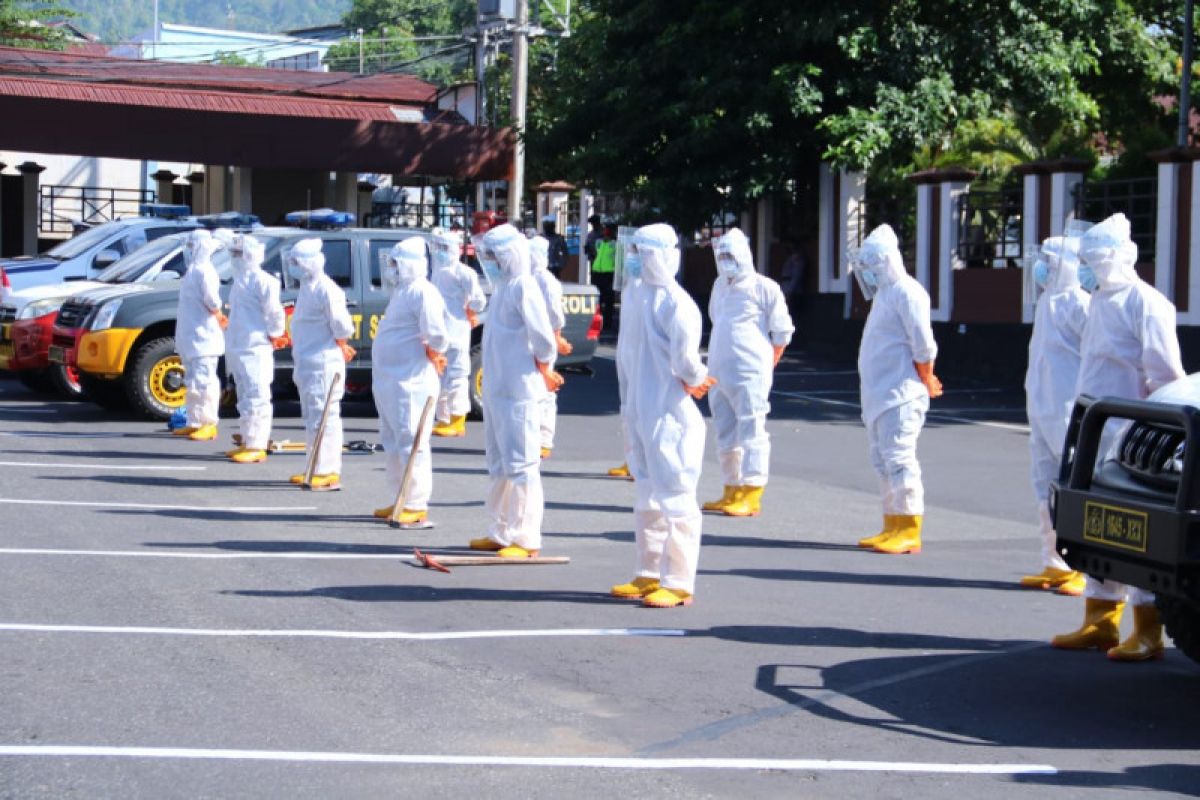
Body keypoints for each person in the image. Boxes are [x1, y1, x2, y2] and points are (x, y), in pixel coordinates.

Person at [1052, 213, 1186, 661]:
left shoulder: (1148, 304)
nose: (1087, 267)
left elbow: (1166, 379)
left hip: (1130, 433)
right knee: (1098, 526)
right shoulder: (1099, 302)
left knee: (1139, 535)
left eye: (1094, 259)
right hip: (1093, 430)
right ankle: (1100, 620)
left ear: (1118, 256)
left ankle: (1149, 629)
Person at [610, 223, 716, 608]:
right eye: (632, 251)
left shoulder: (678, 304)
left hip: (670, 417)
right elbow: (628, 355)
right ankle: (648, 572)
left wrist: (698, 378)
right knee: (647, 496)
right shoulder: (638, 297)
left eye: (642, 252)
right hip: (641, 411)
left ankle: (679, 581)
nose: (634, 260)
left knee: (675, 497)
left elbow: (687, 362)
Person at [469, 223, 563, 559]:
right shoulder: (504, 288)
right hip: (497, 388)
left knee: (522, 463)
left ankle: (525, 537)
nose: (489, 261)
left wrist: (545, 366)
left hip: (520, 389)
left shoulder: (524, 286)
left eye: (494, 255)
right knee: (498, 462)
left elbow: (543, 337)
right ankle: (500, 530)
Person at [852, 223, 942, 555]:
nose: (870, 273)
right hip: (880, 394)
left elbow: (923, 343)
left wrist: (928, 376)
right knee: (882, 460)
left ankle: (909, 528)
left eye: (873, 265)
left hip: (901, 394)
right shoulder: (885, 295)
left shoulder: (908, 291)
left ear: (888, 261)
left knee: (900, 458)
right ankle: (891, 523)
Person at [702, 227, 794, 516]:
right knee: (725, 430)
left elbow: (781, 330)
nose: (726, 260)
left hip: (750, 371)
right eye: (722, 255)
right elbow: (716, 318)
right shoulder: (720, 285)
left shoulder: (764, 287)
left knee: (752, 429)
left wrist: (768, 360)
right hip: (718, 369)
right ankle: (731, 488)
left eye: (731, 255)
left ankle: (752, 490)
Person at [1020, 233, 1090, 594]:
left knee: (1072, 487)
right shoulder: (1047, 301)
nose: (1041, 265)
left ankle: (1082, 565)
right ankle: (1055, 562)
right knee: (1044, 486)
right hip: (1042, 409)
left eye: (1049, 258)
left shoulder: (1080, 304)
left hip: (1067, 412)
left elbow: (1094, 359)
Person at [371, 237, 449, 526]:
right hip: (391, 379)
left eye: (396, 263)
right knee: (392, 440)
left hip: (412, 380)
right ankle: (399, 496)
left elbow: (436, 332)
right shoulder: (402, 291)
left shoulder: (424, 292)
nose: (392, 268)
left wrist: (434, 350)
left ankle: (416, 503)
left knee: (412, 441)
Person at [287, 238, 356, 491]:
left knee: (324, 416)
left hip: (323, 363)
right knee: (312, 416)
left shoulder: (328, 289)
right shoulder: (308, 286)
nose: (293, 266)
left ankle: (327, 470)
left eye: (297, 262)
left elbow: (342, 325)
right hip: (308, 361)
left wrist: (340, 341)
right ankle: (314, 466)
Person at [225, 233, 288, 464]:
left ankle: (257, 444)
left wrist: (275, 334)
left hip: (255, 347)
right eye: (233, 253)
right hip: (239, 346)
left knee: (256, 396)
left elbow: (274, 313)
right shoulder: (240, 281)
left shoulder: (265, 281)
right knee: (243, 396)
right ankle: (247, 440)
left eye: (239, 253)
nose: (235, 258)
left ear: (251, 255)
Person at [429, 228, 487, 438]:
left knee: (457, 377)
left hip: (456, 330)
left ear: (454, 249)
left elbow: (479, 300)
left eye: (444, 248)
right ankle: (443, 419)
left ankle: (457, 420)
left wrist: (469, 311)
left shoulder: (464, 272)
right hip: (439, 331)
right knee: (440, 377)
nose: (439, 252)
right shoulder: (436, 271)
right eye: (437, 247)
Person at [173, 229, 227, 441]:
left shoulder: (205, 271)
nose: (189, 250)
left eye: (192, 246)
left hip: (204, 337)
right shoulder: (194, 270)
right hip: (191, 336)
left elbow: (212, 301)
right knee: (193, 380)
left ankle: (208, 422)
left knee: (205, 381)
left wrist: (218, 313)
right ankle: (194, 421)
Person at [529, 234, 573, 458]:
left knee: (545, 389)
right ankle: (533, 436)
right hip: (530, 339)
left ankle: (544, 439)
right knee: (533, 387)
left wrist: (556, 337)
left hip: (544, 338)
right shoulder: (525, 278)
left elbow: (555, 314)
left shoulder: (546, 281)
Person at [606, 236, 643, 480]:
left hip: (644, 357)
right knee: (628, 408)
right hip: (626, 352)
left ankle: (642, 461)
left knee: (642, 409)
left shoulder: (657, 291)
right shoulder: (631, 287)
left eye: (635, 252)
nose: (630, 258)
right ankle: (631, 458)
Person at [592, 223, 618, 330]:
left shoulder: (615, 245)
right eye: (605, 231)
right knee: (598, 300)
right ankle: (597, 322)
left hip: (609, 274)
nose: (605, 233)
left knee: (608, 301)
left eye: (608, 231)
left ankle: (607, 324)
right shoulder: (599, 242)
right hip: (597, 273)